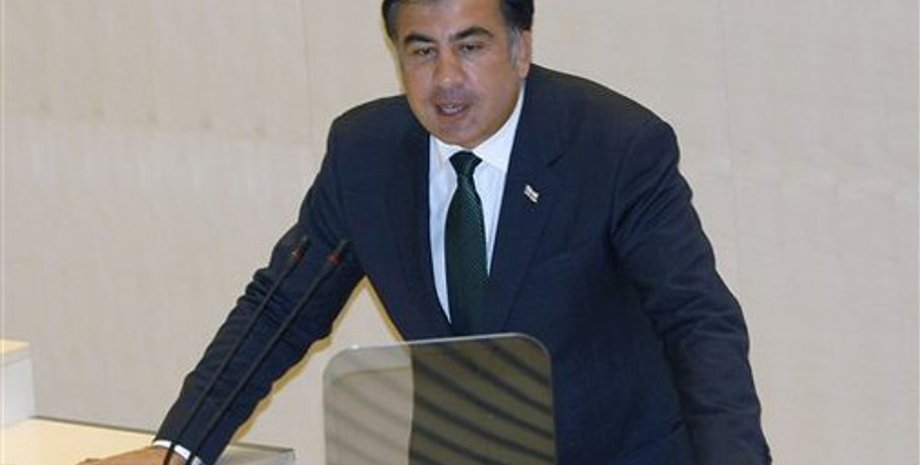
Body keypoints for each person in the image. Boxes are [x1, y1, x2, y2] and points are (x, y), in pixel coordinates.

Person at [86, 0, 771, 464]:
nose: (446, 79)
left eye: (470, 46)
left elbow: (698, 323)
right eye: (422, 51)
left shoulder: (614, 146)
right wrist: (176, 449)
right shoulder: (366, 155)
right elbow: (278, 310)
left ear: (521, 48)